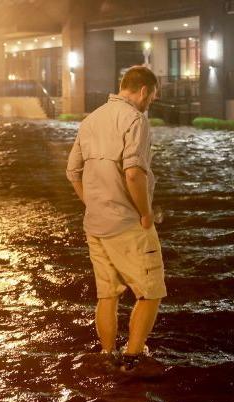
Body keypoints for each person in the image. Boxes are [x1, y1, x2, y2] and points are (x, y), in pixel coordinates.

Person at [66, 65, 166, 372]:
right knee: (150, 291)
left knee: (107, 294)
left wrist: (93, 203)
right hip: (126, 224)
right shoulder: (135, 119)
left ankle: (107, 354)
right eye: (152, 97)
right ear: (144, 91)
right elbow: (134, 173)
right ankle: (133, 357)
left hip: (95, 223)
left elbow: (72, 172)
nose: (151, 103)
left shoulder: (90, 119)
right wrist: (146, 214)